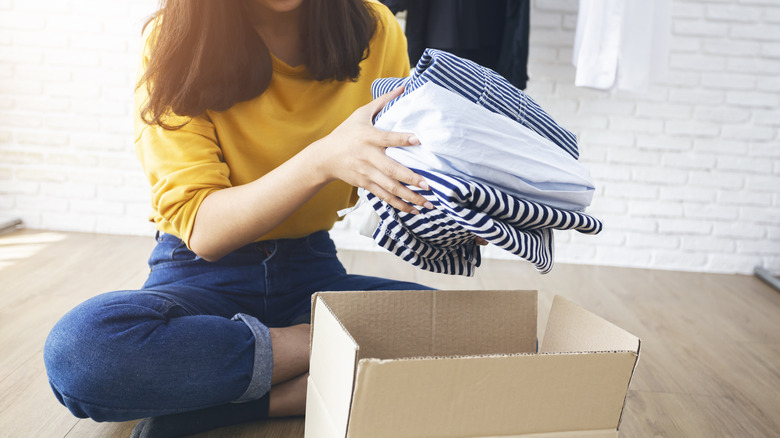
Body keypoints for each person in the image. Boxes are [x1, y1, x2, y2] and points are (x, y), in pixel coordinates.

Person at [43, 0, 435, 436]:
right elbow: (204, 229)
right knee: (81, 352)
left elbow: (400, 163)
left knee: (467, 327)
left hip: (310, 269)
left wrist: (453, 216)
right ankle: (311, 360)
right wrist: (322, 159)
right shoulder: (176, 38)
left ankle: (238, 396)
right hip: (200, 276)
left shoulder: (374, 25)